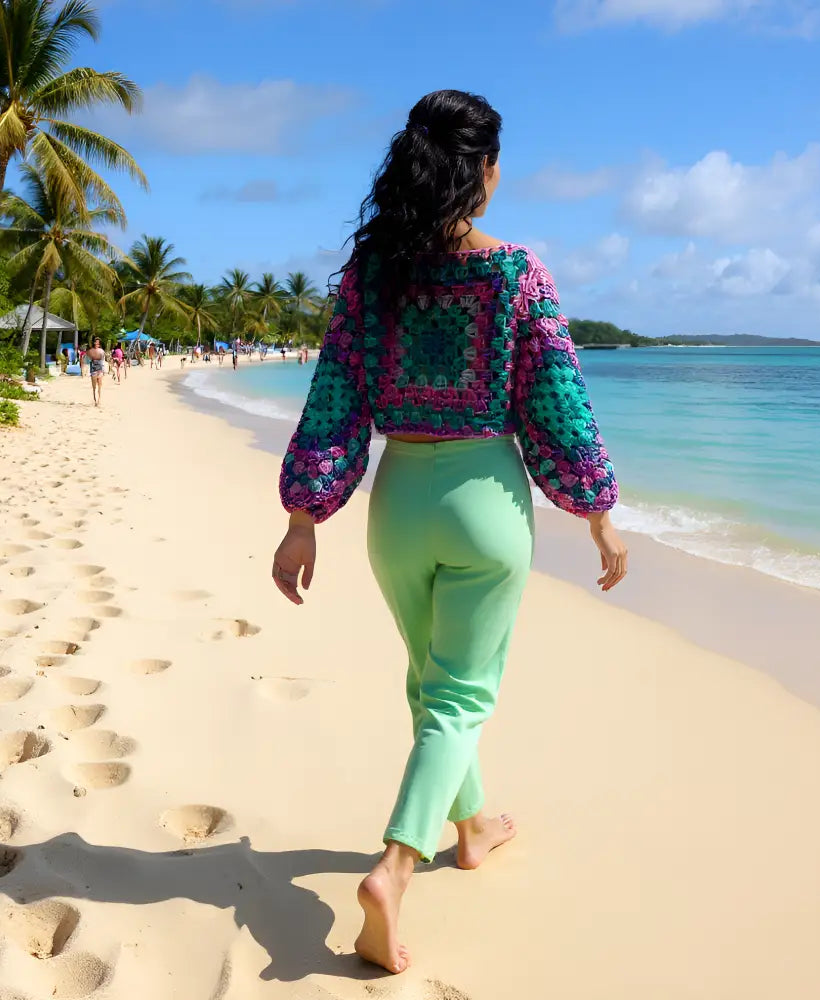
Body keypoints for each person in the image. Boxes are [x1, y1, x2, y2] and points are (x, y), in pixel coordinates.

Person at [271, 90, 627, 975]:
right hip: (485, 499)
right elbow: (558, 401)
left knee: (433, 682)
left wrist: (301, 518)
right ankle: (395, 867)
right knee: (461, 694)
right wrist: (599, 515)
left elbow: (334, 397)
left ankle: (472, 829)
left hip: (399, 500)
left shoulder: (371, 275)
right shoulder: (516, 273)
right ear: (488, 171)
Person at [86, 338, 107, 407]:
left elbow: (103, 361)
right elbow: (87, 361)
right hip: (93, 370)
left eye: (97, 343)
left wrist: (104, 371)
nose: (96, 344)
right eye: (95, 343)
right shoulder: (91, 351)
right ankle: (95, 400)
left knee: (99, 386)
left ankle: (98, 400)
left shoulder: (101, 351)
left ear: (99, 344)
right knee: (94, 387)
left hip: (100, 370)